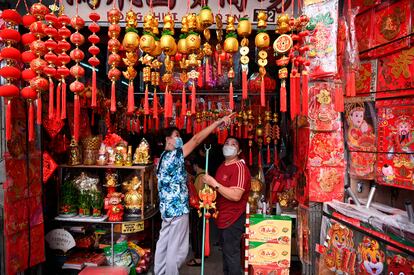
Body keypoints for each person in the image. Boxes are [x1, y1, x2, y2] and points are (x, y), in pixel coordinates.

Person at [154, 114, 233, 275]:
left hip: (167, 211)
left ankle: (160, 272)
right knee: (177, 250)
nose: (180, 139)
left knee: (164, 245)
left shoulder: (162, 158)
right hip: (177, 211)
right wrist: (217, 123)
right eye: (177, 136)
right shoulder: (174, 155)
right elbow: (197, 139)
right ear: (168, 140)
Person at [202, 137, 251, 275]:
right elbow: (219, 191)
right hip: (222, 216)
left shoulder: (239, 167)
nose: (229, 146)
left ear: (239, 150)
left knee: (232, 255)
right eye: (226, 143)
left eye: (233, 144)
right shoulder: (223, 165)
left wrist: (214, 183)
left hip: (233, 217)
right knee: (226, 255)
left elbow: (236, 195)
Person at [186, 154, 206, 267]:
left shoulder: (201, 177)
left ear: (196, 165)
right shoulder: (204, 175)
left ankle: (198, 257)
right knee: (200, 232)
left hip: (198, 209)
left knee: (197, 232)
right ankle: (202, 253)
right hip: (203, 209)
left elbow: (197, 195)